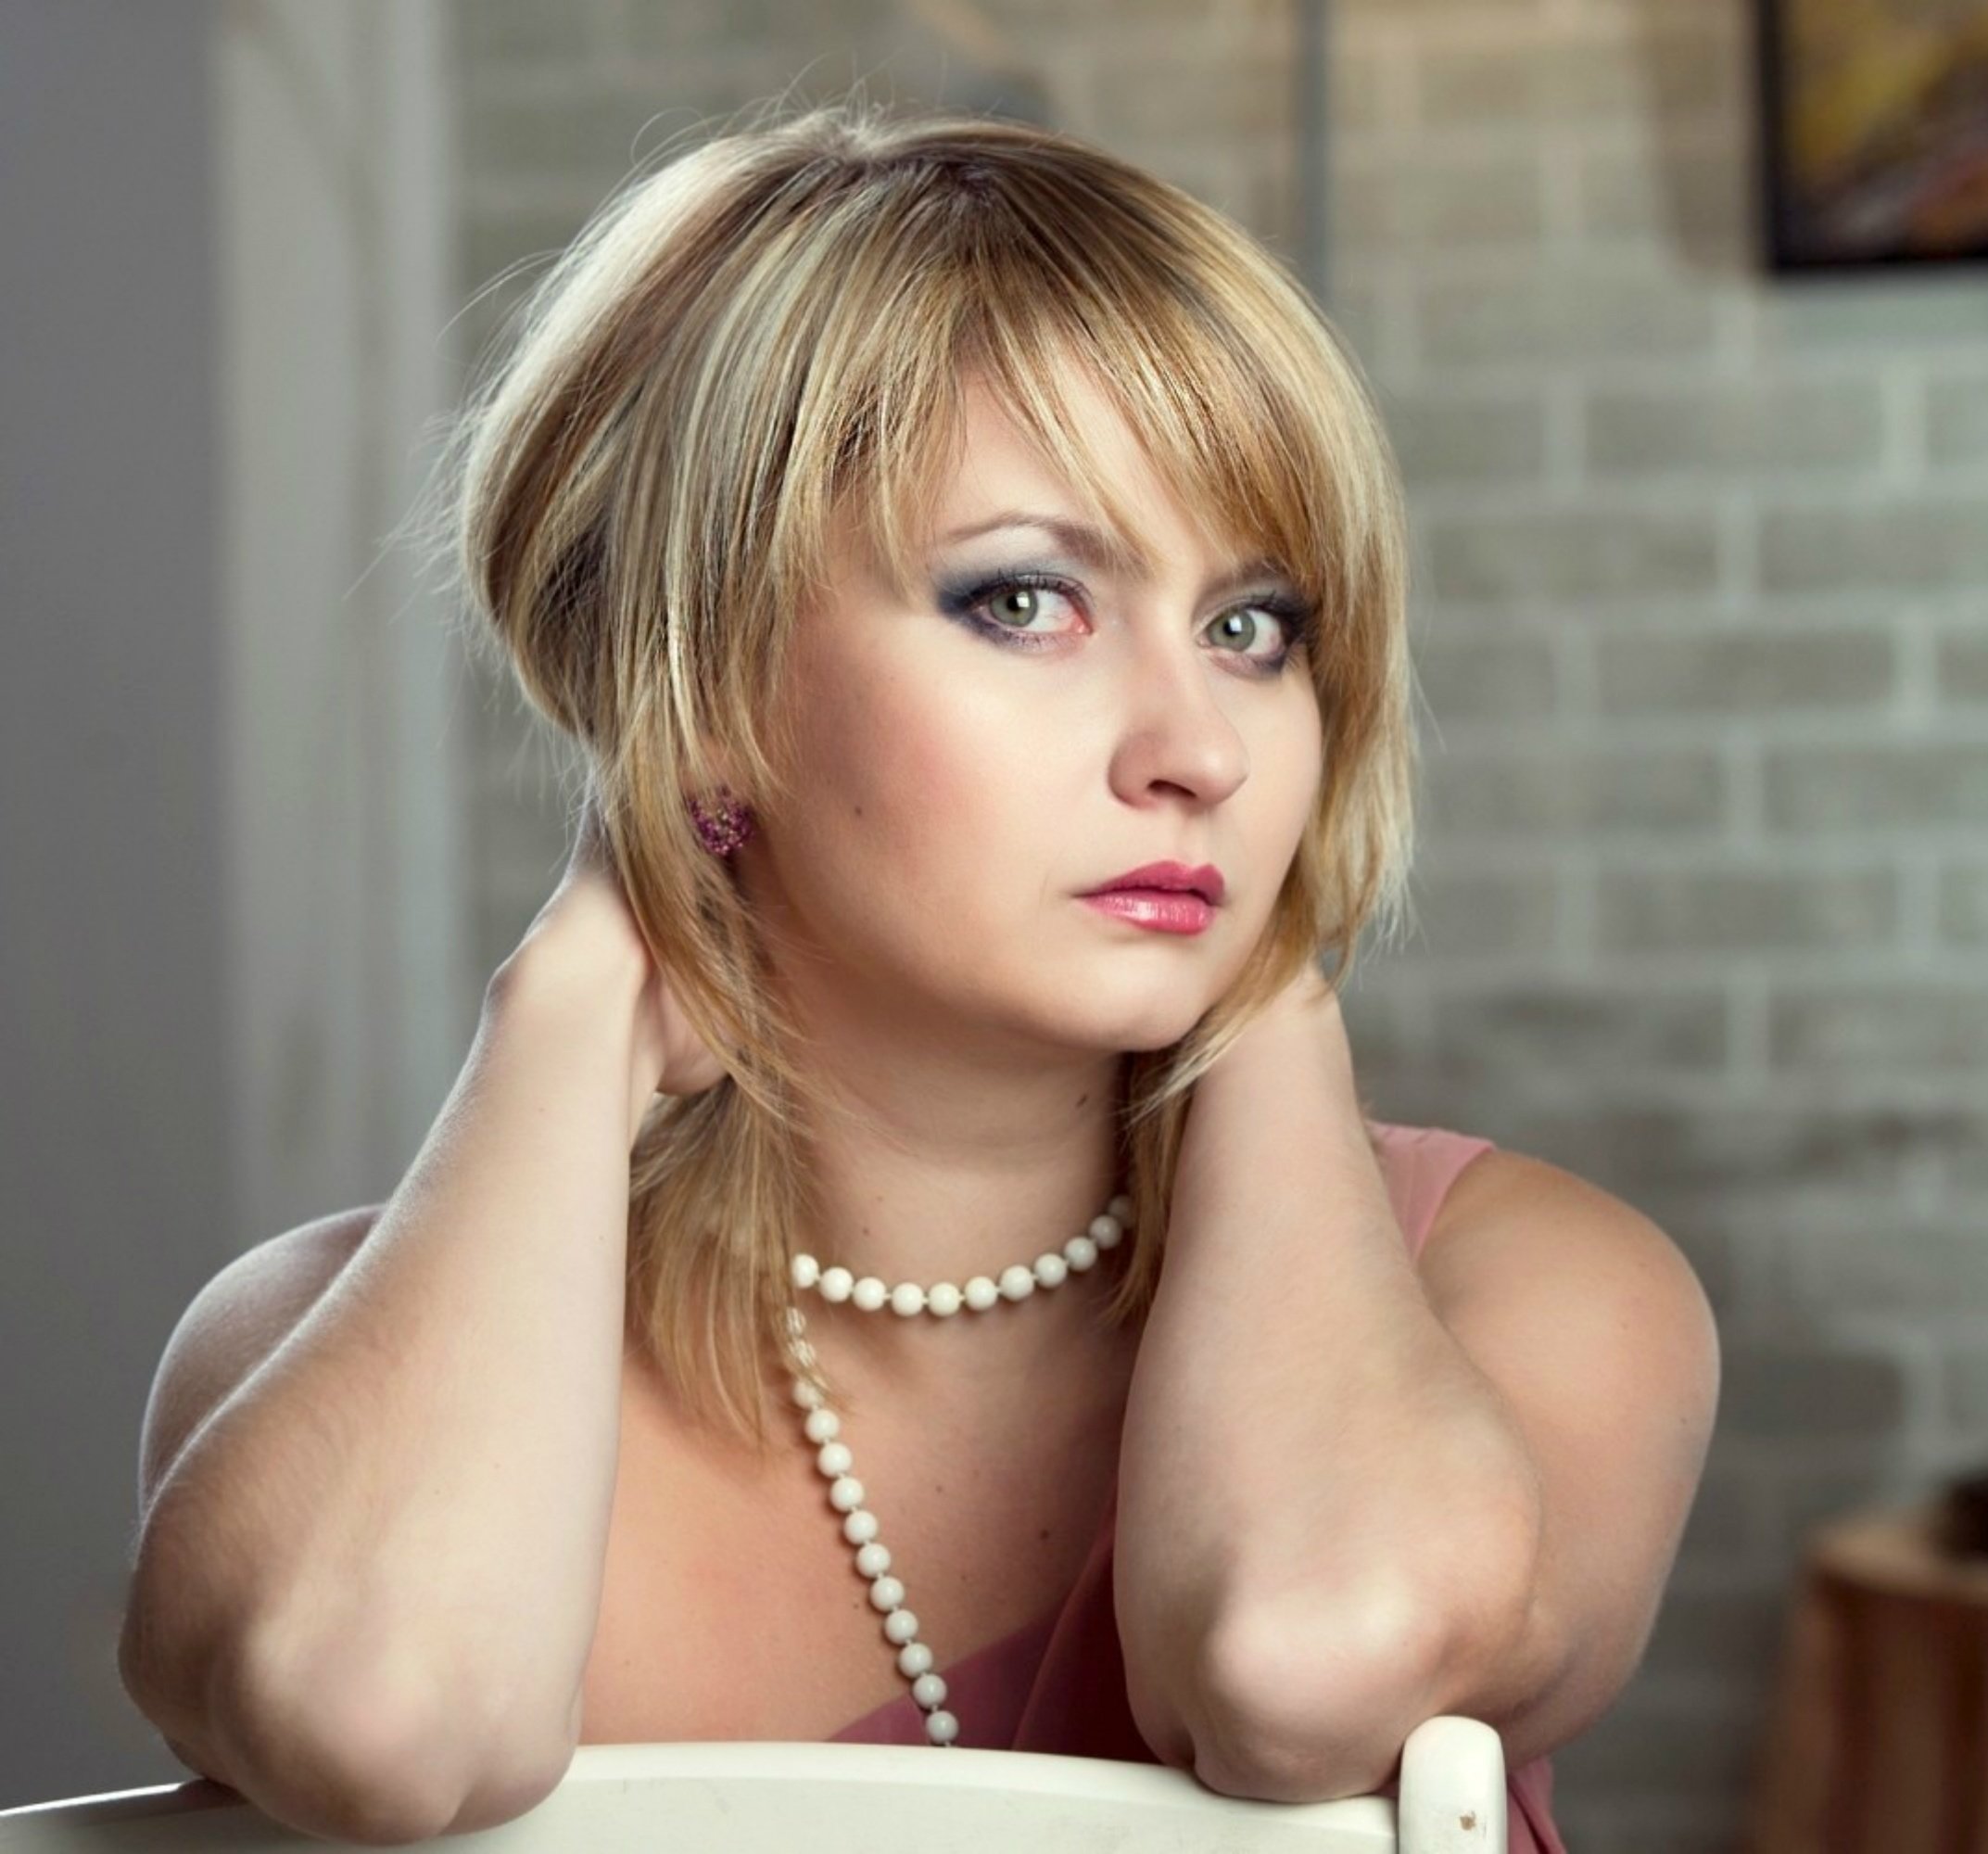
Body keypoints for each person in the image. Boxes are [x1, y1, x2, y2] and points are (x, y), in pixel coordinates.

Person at [117, 104, 1718, 1851]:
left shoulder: (1534, 1296)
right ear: (706, 675)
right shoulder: (312, 1346)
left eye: (1253, 628)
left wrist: (1270, 1001)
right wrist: (568, 1009)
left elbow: (1301, 1661)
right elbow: (373, 1718)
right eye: (1026, 603)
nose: (1202, 751)